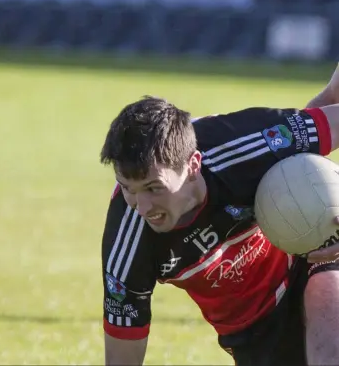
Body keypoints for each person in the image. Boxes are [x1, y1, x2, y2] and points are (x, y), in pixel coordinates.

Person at [100, 65, 339, 366]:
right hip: (253, 328)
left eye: (154, 188)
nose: (142, 206)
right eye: (127, 189)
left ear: (193, 166)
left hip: (311, 254)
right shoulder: (128, 243)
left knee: (329, 297)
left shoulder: (246, 143)